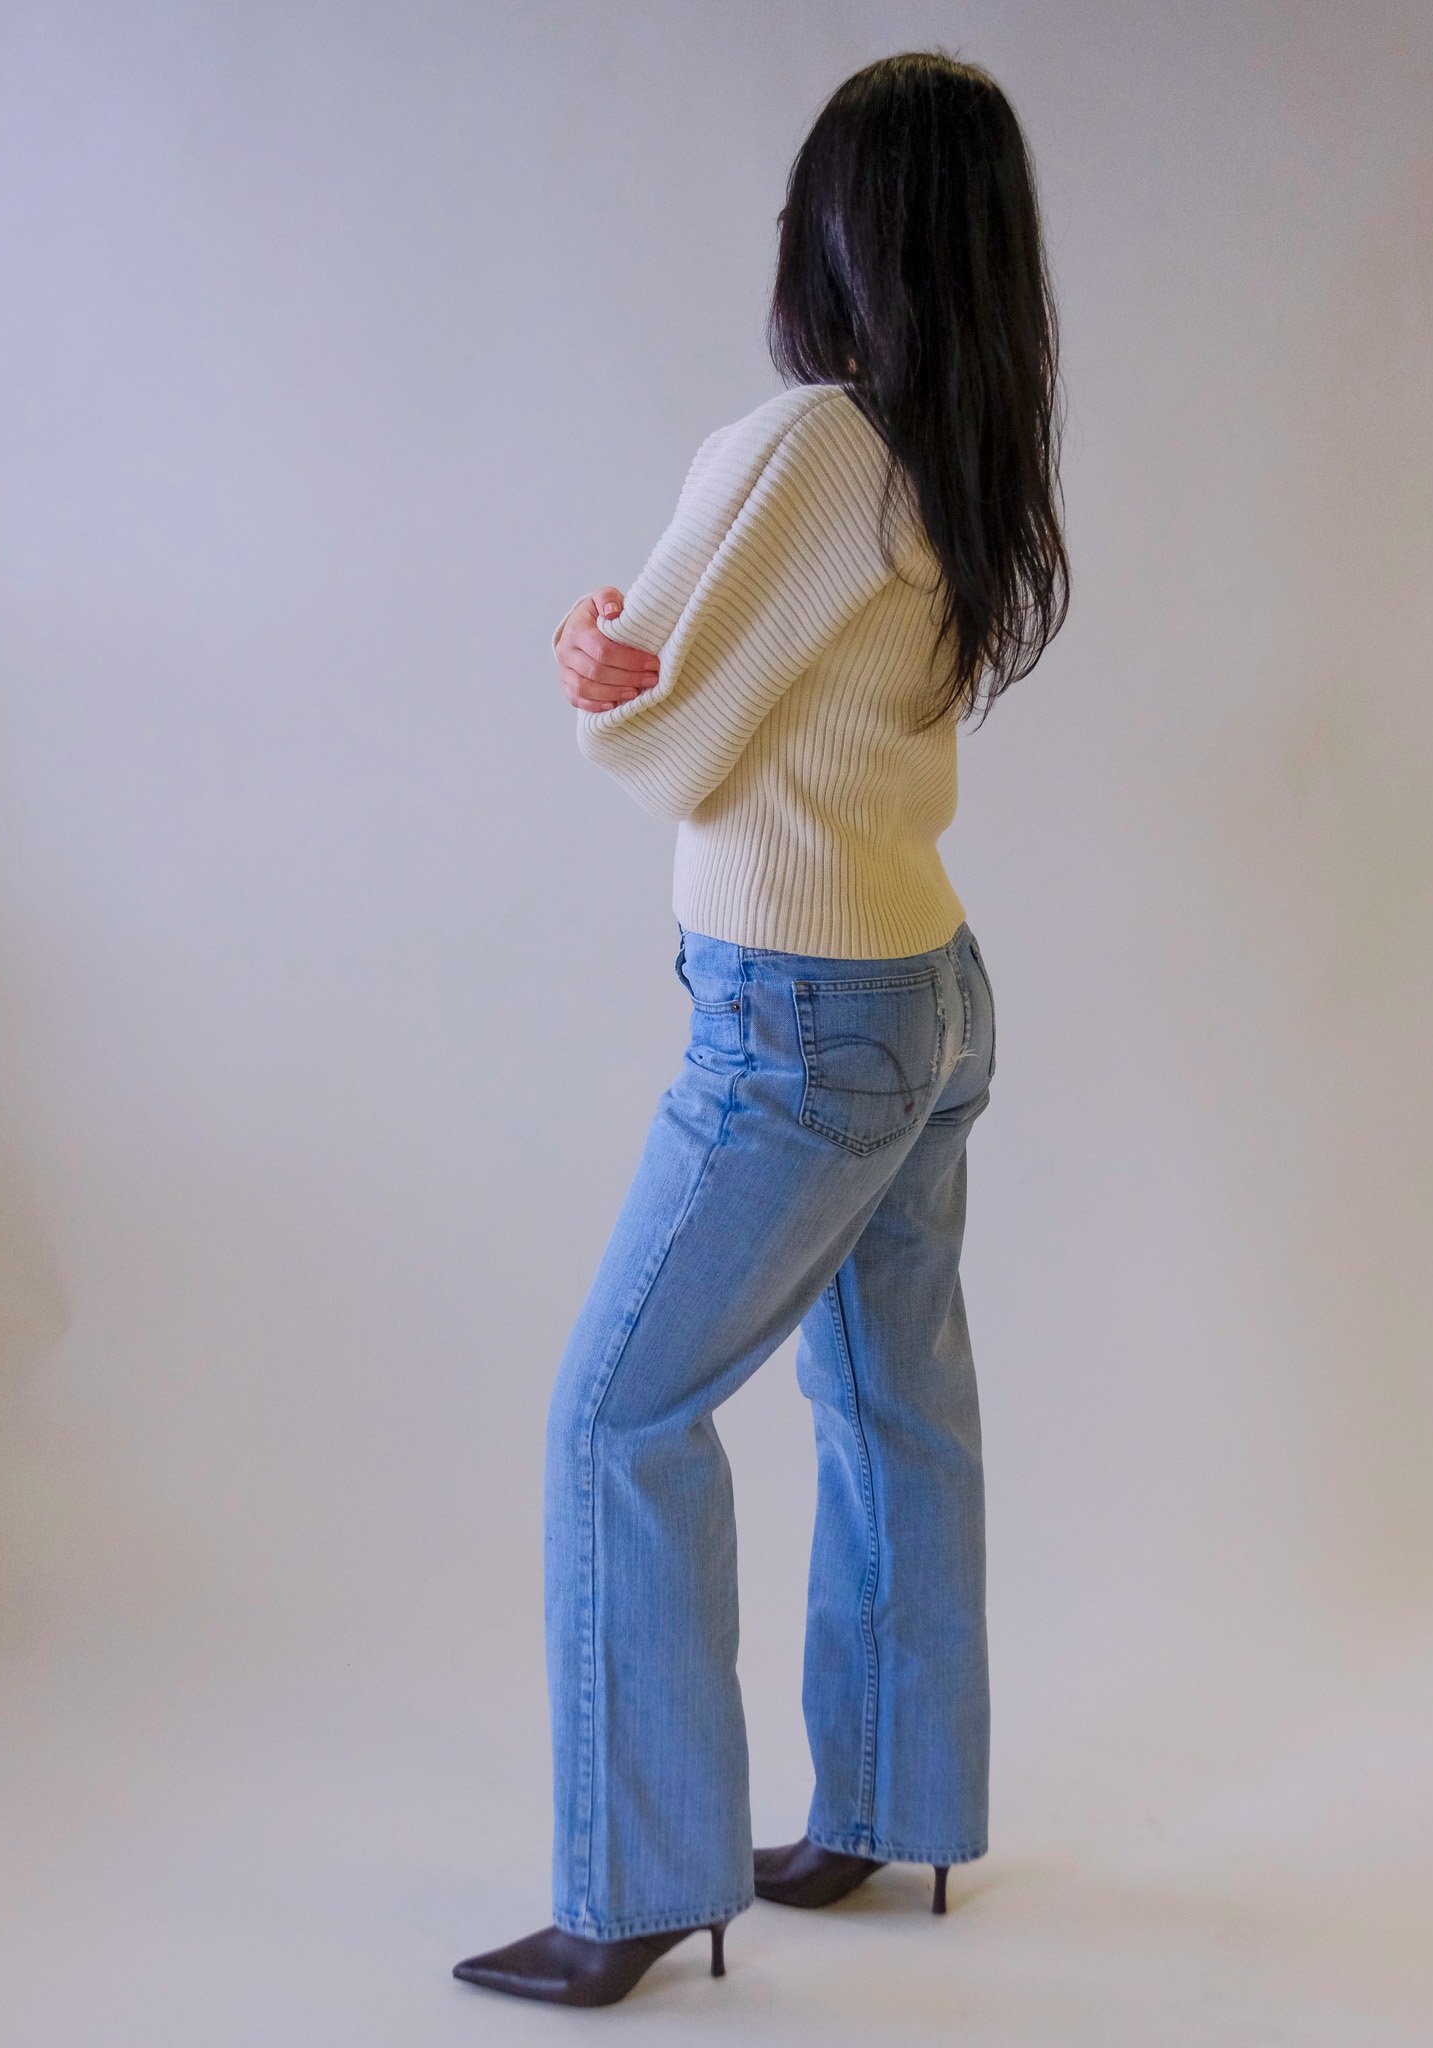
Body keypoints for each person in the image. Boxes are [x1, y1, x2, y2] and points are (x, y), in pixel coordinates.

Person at [454, 48, 1068, 2008]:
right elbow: (715, 684)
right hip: (927, 989)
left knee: (617, 1413)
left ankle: (635, 1886)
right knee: (896, 1407)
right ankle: (896, 1803)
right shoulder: (964, 451)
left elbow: (660, 739)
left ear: (838, 234)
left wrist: (599, 680)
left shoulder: (813, 443)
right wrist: (633, 665)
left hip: (800, 1021)